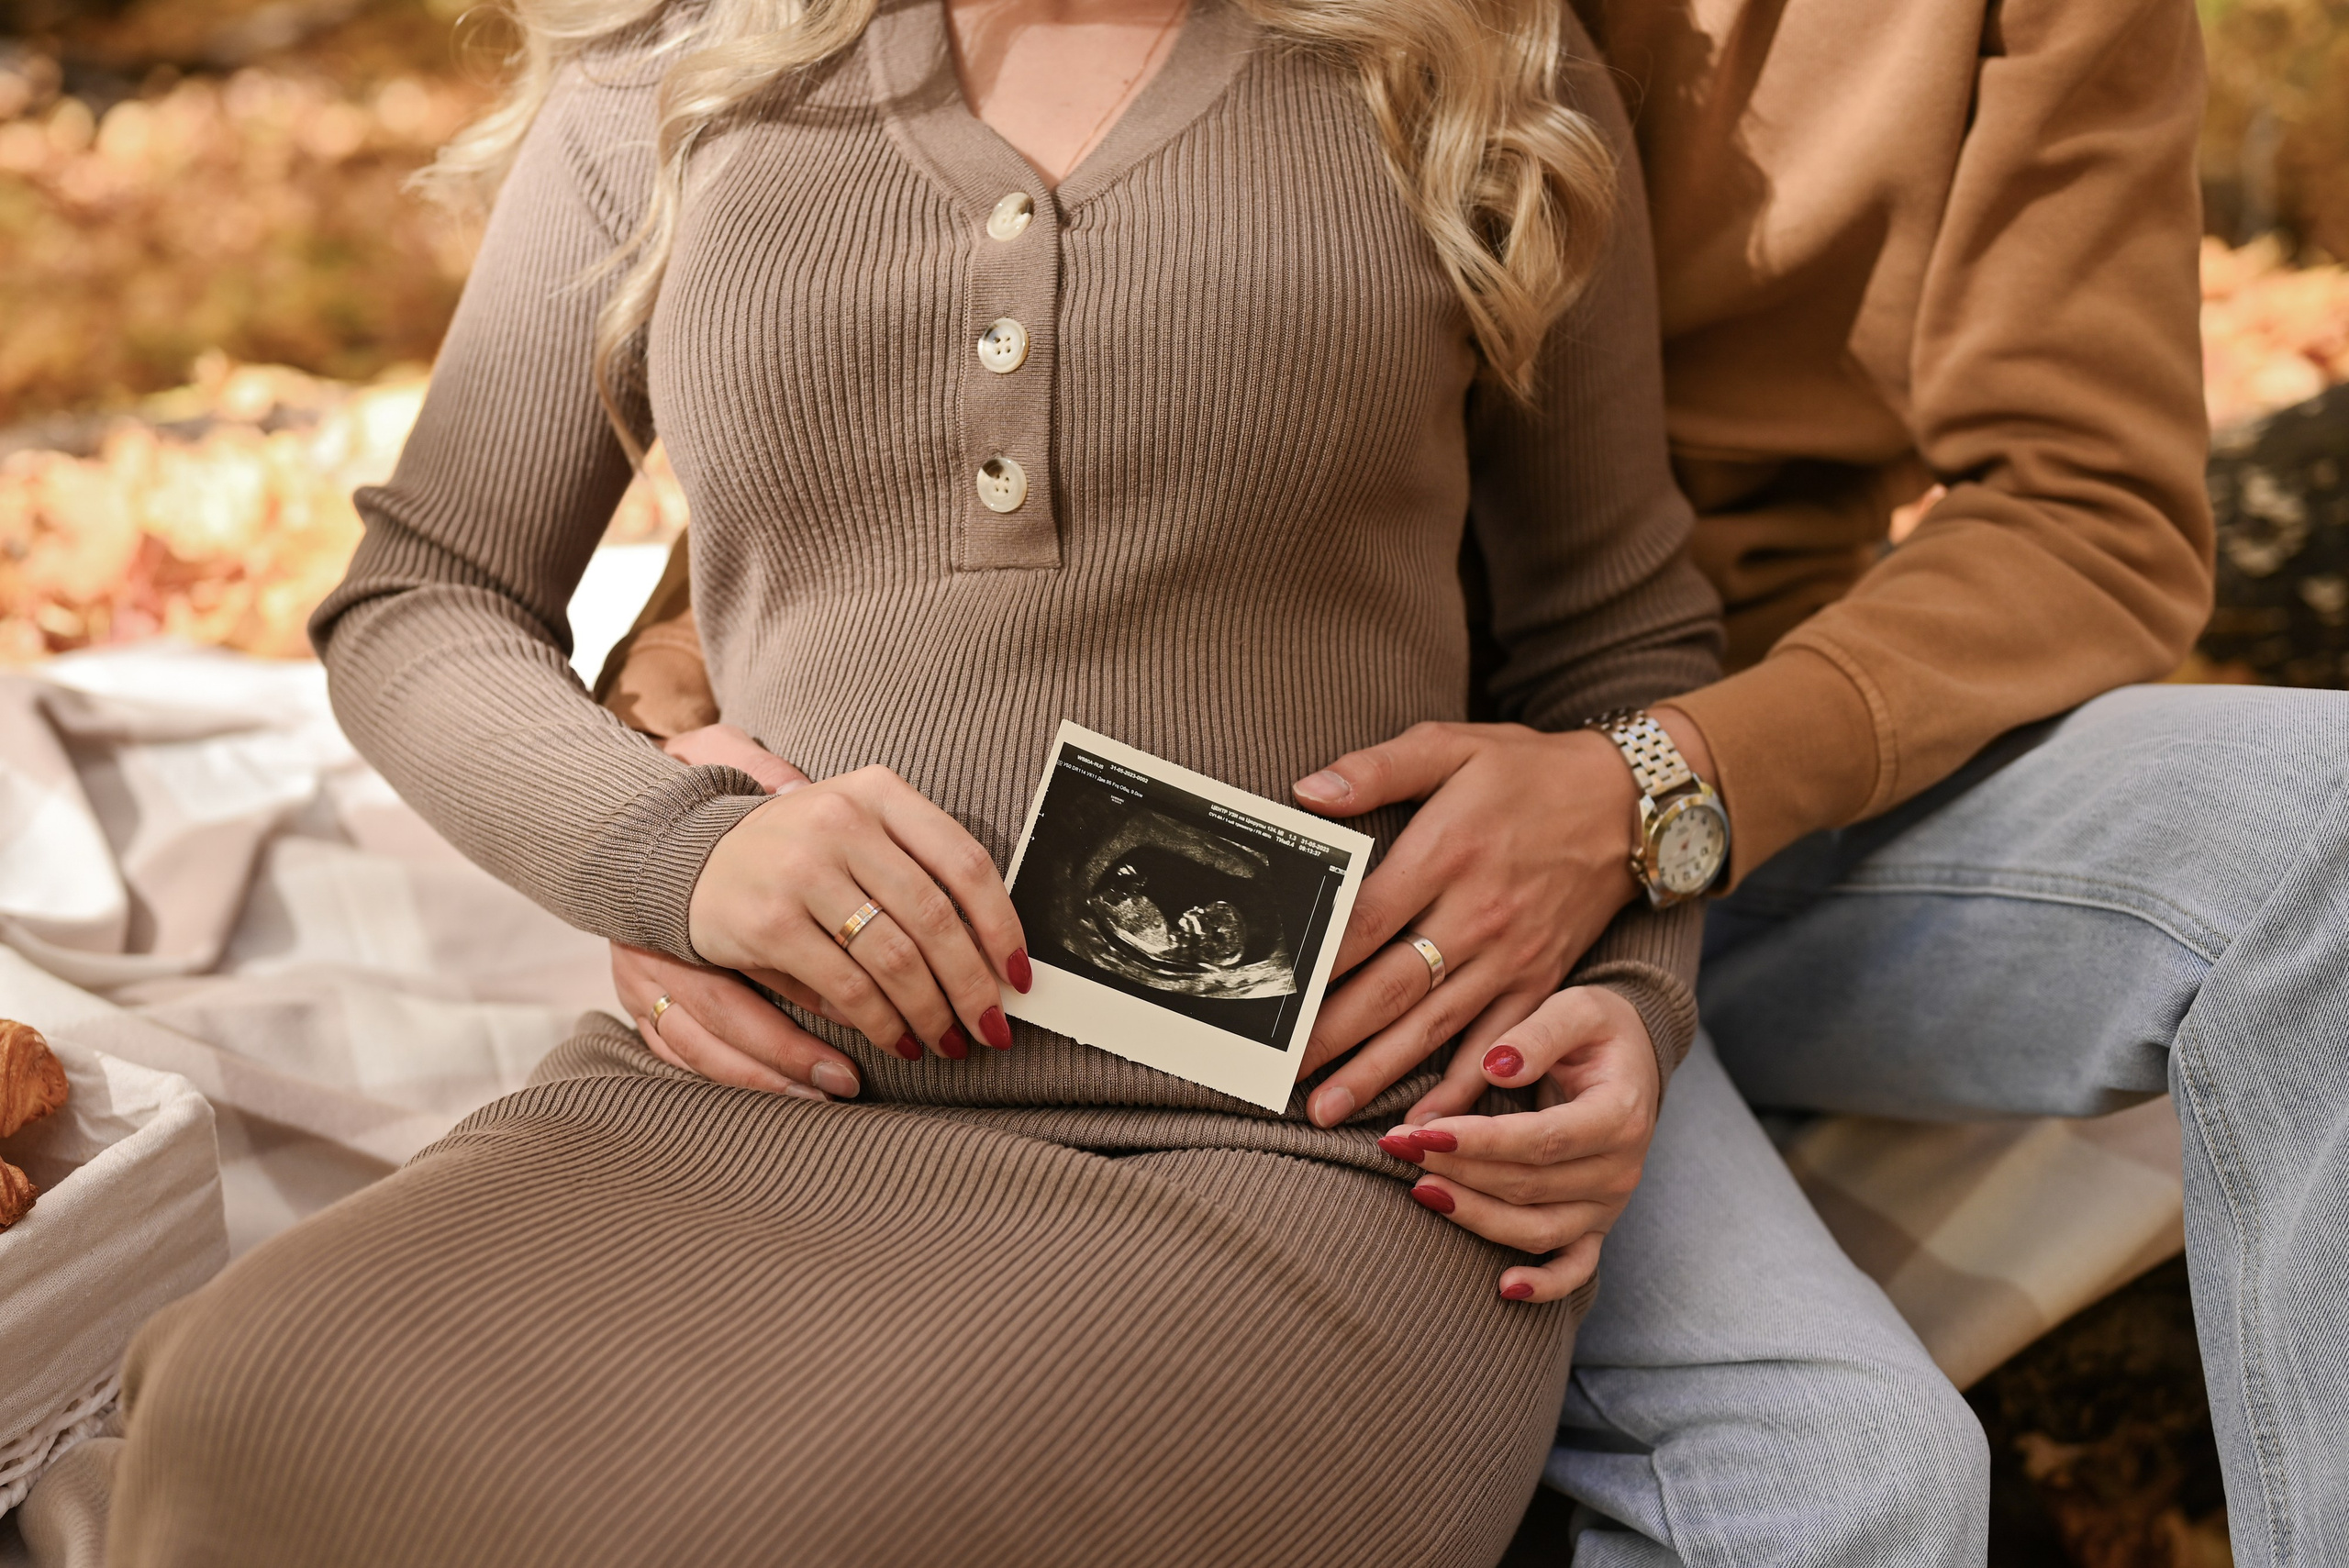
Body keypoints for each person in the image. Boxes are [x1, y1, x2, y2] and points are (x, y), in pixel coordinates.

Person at [93, 0, 1888, 1561]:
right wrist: (671, 856)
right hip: (754, 1095)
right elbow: (424, 595)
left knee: (779, 1534)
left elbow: (1615, 644)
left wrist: (1631, 999)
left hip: (1299, 1147)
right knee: (249, 1398)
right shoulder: (673, 66)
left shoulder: (1467, 58)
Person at [599, 0, 2349, 1564]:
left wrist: (1656, 785)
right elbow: (848, 415)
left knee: (2327, 822)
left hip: (1750, 771)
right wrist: (669, 814)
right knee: (1844, 1483)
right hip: (1295, 834)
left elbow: (2091, 509)